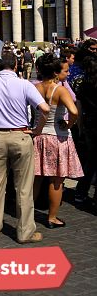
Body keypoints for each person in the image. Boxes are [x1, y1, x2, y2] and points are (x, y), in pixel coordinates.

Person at [0, 52, 50, 243]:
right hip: (21, 135)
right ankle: (25, 232)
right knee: (23, 187)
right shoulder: (24, 84)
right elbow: (45, 109)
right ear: (16, 65)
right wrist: (37, 129)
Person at [32, 55, 82, 228]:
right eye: (65, 71)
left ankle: (28, 213)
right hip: (57, 136)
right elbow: (74, 111)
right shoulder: (60, 90)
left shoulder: (35, 87)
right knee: (56, 180)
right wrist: (69, 124)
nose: (67, 74)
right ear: (55, 72)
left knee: (36, 178)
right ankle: (52, 217)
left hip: (38, 136)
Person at [74, 55, 97, 205]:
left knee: (90, 160)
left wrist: (80, 127)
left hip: (90, 124)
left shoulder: (83, 85)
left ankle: (81, 191)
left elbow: (79, 108)